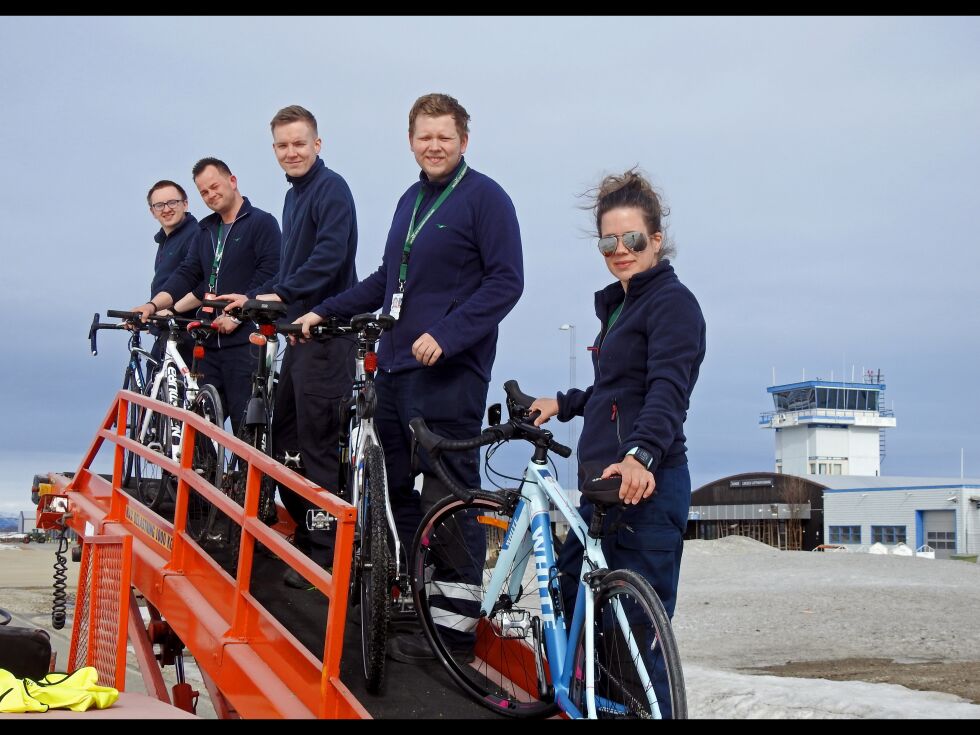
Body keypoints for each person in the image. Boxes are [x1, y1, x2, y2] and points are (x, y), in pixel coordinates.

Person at [293, 93, 524, 658]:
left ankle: (453, 632)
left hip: (449, 372)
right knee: (396, 492)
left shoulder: (486, 198)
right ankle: (419, 605)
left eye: (445, 136)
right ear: (411, 142)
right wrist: (328, 309)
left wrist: (447, 334)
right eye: (425, 136)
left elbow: (506, 281)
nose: (434, 145)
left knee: (448, 494)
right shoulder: (409, 199)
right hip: (394, 368)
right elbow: (385, 280)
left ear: (463, 141)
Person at [529, 168, 706, 717]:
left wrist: (641, 455)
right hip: (605, 489)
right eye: (609, 241)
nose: (620, 250)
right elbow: (617, 387)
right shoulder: (622, 304)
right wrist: (565, 403)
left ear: (656, 239)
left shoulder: (673, 304)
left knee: (633, 651)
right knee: (582, 623)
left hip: (644, 489)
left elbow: (667, 390)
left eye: (632, 239)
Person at [217, 105, 359, 587]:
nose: (291, 152)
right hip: (298, 336)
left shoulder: (331, 188)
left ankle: (328, 556)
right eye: (282, 145)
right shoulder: (294, 197)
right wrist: (257, 296)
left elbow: (330, 257)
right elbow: (292, 267)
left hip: (328, 335)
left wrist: (283, 294)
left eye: (299, 143)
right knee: (282, 446)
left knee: (318, 448)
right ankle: (308, 533)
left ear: (317, 144)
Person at [132, 158, 281, 434]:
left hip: (244, 339)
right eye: (204, 192)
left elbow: (271, 275)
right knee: (199, 429)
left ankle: (247, 477)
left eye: (215, 187)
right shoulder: (205, 229)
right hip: (208, 340)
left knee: (245, 425)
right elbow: (187, 275)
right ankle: (206, 475)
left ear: (232, 181)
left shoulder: (262, 223)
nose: (211, 195)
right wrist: (153, 305)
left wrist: (238, 314)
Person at [145, 180, 199, 367]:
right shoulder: (165, 240)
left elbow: (196, 278)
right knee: (154, 375)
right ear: (152, 211)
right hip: (165, 326)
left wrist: (170, 310)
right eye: (159, 205)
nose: (166, 209)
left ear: (185, 204)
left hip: (186, 329)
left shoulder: (196, 234)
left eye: (172, 202)